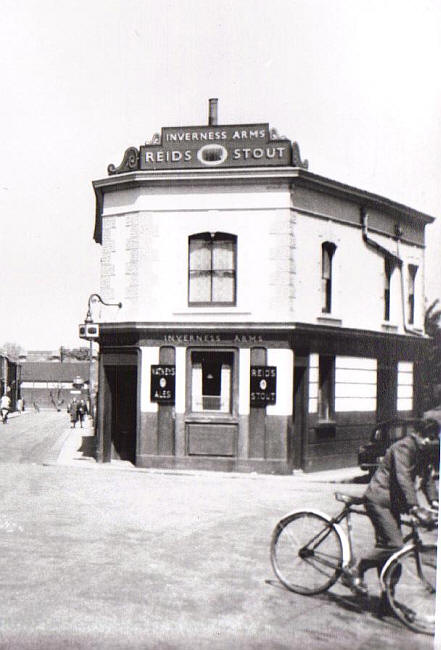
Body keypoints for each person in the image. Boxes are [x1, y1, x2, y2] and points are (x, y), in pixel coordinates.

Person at [342, 418, 439, 599]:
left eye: (432, 438)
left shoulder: (422, 450)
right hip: (379, 500)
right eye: (426, 437)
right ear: (417, 434)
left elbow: (427, 478)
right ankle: (356, 568)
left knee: (390, 553)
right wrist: (414, 506)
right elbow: (403, 478)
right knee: (395, 545)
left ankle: (387, 600)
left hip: (392, 503)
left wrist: (435, 502)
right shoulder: (404, 448)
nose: (428, 441)